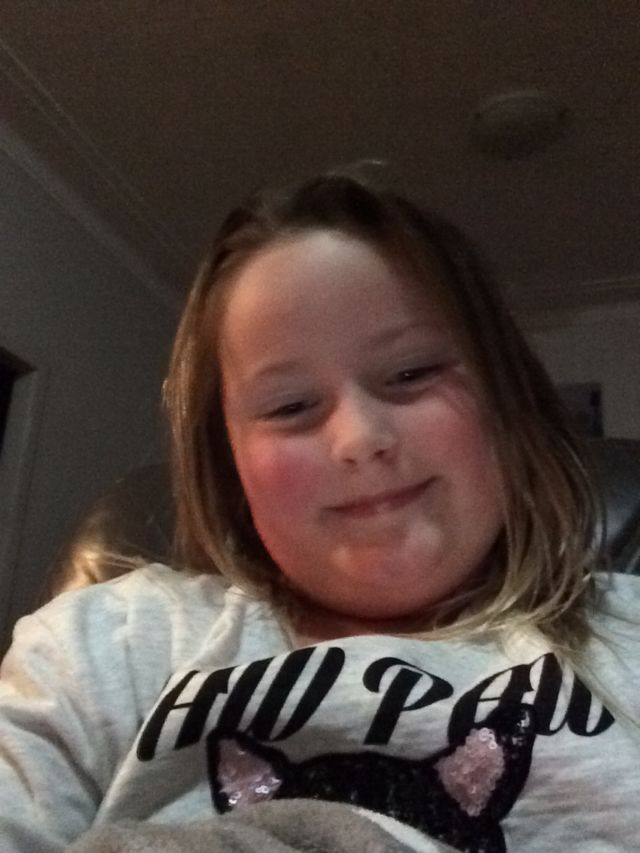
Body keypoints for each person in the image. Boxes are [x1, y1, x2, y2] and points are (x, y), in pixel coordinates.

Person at [0, 171, 638, 853]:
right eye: (290, 406)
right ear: (230, 462)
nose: (359, 439)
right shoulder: (108, 645)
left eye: (413, 372)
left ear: (506, 400)